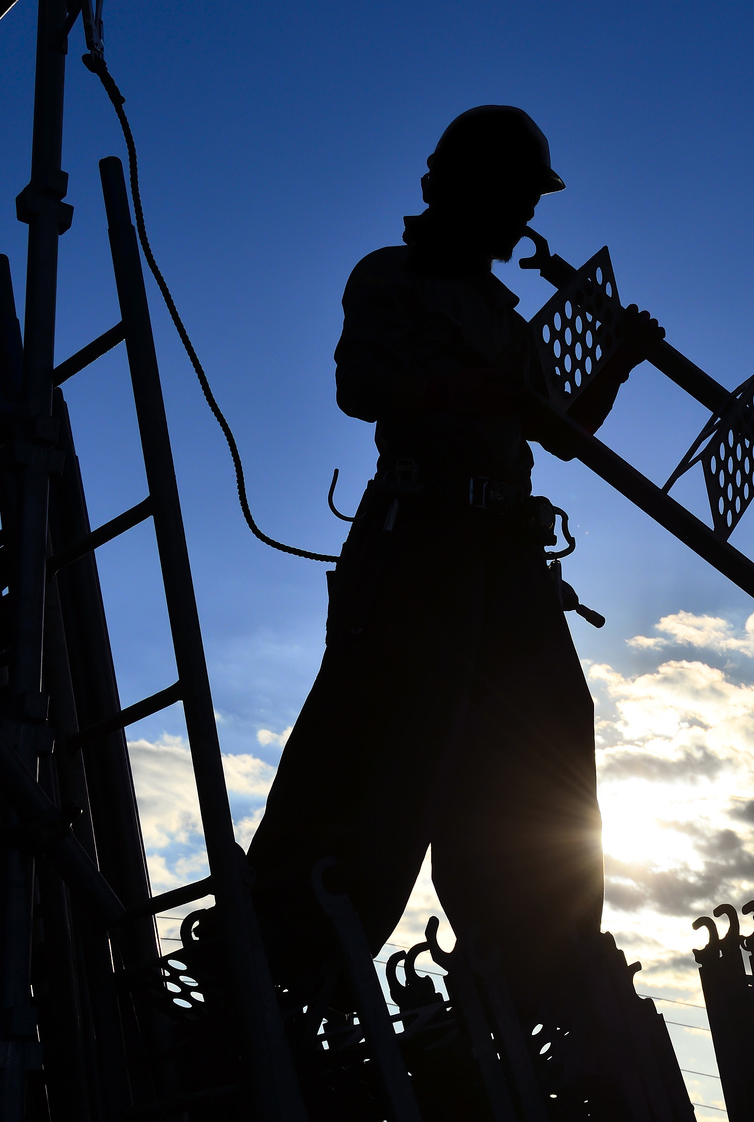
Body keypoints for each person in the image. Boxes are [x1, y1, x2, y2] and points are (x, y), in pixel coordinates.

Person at [247, 106, 661, 1021]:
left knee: (546, 738)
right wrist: (450, 390)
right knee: (388, 741)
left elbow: (561, 439)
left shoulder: (503, 315)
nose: (523, 217)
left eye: (528, 200)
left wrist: (618, 364)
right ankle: (289, 956)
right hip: (420, 540)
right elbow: (361, 384)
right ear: (467, 192)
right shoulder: (390, 277)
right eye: (513, 197)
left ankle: (541, 982)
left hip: (505, 555)